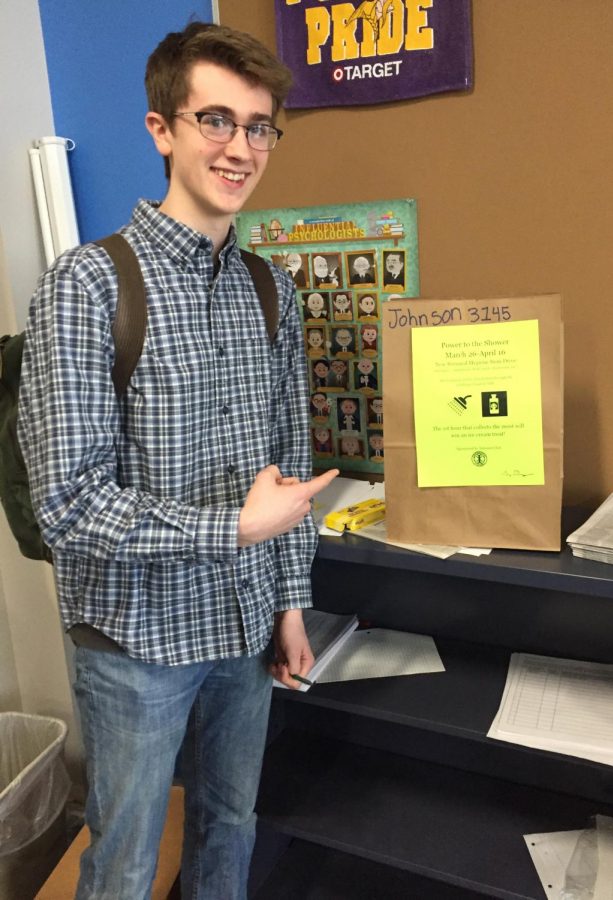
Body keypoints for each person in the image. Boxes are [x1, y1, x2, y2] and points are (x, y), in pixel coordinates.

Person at [17, 21, 338, 900]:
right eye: (216, 121)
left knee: (231, 824)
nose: (241, 147)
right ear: (163, 128)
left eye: (260, 126)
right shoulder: (87, 287)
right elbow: (70, 508)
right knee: (122, 858)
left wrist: (290, 602)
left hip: (244, 629)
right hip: (134, 644)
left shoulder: (271, 290)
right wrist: (233, 526)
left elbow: (289, 461)